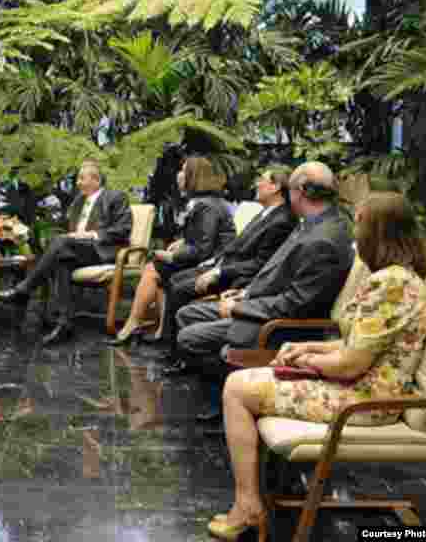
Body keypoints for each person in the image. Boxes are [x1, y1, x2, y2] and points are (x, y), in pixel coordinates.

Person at [206, 192, 426, 540]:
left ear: (379, 231)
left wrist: (307, 360)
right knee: (244, 380)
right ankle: (252, 501)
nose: (355, 236)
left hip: (365, 402)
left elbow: (349, 365)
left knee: (237, 389)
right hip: (364, 389)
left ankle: (248, 507)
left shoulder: (391, 284)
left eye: (359, 224)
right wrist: (307, 346)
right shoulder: (401, 279)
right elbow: (360, 344)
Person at [175, 161, 355, 422]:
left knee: (190, 336)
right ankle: (219, 398)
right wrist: (244, 294)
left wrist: (239, 308)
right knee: (187, 315)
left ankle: (228, 403)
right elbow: (276, 273)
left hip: (279, 327)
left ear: (298, 192)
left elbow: (295, 304)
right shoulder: (313, 222)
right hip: (259, 303)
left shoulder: (322, 239)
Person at [159, 166, 297, 375]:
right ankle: (174, 348)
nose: (256, 184)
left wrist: (219, 273)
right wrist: (214, 263)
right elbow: (236, 246)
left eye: (262, 179)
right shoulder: (264, 214)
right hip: (225, 266)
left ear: (276, 186)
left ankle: (181, 357)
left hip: (240, 277)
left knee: (180, 288)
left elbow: (260, 263)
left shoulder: (282, 220)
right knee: (175, 278)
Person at [0, 161, 133, 345]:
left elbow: (123, 229)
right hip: (77, 250)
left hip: (102, 250)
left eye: (82, 178)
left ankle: (24, 290)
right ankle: (64, 324)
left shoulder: (115, 197)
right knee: (62, 259)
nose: (78, 183)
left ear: (96, 180)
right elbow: (65, 228)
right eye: (78, 179)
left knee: (61, 244)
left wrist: (91, 234)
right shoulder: (78, 202)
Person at [112, 156, 235, 345]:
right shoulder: (204, 202)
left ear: (193, 176)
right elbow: (202, 236)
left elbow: (203, 250)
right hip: (206, 259)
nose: (179, 175)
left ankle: (136, 324)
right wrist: (183, 241)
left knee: (155, 268)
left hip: (212, 265)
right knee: (157, 268)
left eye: (183, 170)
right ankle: (159, 330)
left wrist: (172, 255)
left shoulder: (206, 206)